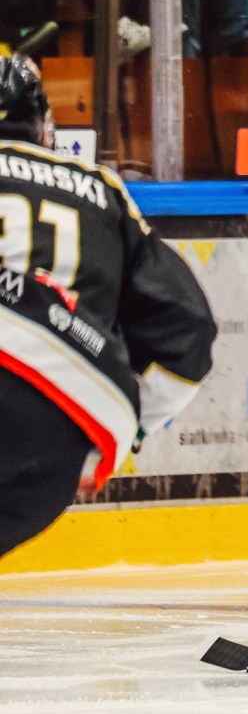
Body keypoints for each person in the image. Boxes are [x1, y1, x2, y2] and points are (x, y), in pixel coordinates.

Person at [0, 56, 216, 559]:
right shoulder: (101, 189)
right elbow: (188, 328)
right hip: (62, 424)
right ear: (42, 122)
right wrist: (125, 431)